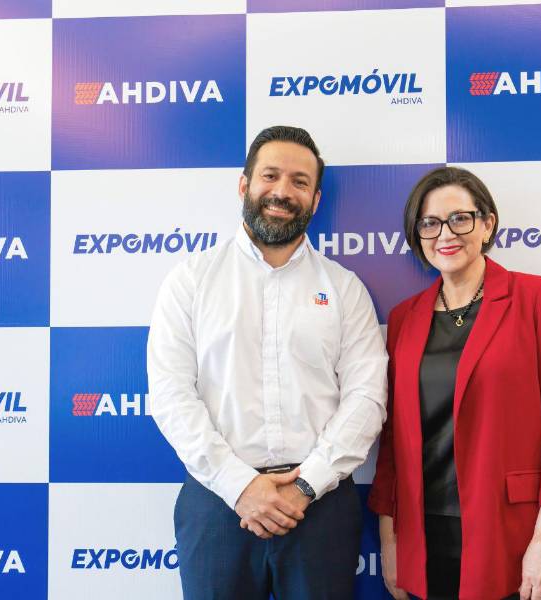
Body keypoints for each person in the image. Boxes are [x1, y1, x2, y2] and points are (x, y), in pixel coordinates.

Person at [147, 125, 388, 600]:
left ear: (315, 200)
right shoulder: (190, 281)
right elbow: (171, 396)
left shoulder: (344, 288)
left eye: (300, 182)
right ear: (244, 185)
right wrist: (240, 486)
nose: (282, 191)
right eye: (270, 175)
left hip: (319, 504)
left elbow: (367, 398)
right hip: (219, 503)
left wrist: (305, 487)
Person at [368, 166, 541, 600]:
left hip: (513, 535)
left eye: (460, 218)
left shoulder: (538, 299)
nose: (445, 234)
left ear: (487, 224)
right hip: (425, 538)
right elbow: (393, 443)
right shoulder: (404, 319)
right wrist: (390, 539)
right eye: (430, 223)